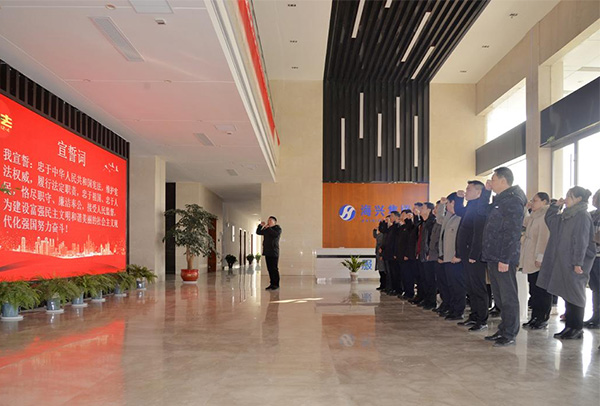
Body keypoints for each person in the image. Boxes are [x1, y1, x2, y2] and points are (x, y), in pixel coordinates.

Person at [537, 187, 596, 340]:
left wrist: (578, 263)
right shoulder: (566, 215)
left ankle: (576, 328)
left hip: (575, 263)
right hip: (564, 261)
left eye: (570, 196)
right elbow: (550, 221)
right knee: (567, 294)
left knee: (575, 295)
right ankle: (569, 327)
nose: (566, 198)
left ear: (578, 199)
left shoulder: (582, 216)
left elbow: (582, 241)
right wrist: (555, 207)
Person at [480, 167, 527, 347]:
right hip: (493, 255)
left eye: (493, 179)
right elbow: (482, 211)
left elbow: (512, 233)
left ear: (503, 180)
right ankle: (503, 328)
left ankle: (510, 333)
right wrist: (486, 193)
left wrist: (505, 259)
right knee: (499, 297)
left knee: (508, 297)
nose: (491, 182)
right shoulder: (500, 200)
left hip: (503, 257)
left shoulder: (513, 201)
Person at [454, 181, 489, 332]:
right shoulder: (470, 206)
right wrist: (458, 198)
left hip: (474, 255)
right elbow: (458, 211)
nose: (466, 191)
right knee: (470, 287)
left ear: (478, 193)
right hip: (466, 254)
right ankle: (474, 315)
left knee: (478, 287)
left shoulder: (480, 209)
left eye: (469, 189)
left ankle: (482, 319)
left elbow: (479, 233)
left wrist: (474, 253)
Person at [519, 192, 551, 329]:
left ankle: (542, 318)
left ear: (544, 202)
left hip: (538, 258)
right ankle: (535, 317)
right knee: (534, 289)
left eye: (535, 200)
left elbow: (544, 238)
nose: (532, 203)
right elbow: (522, 222)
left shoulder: (545, 217)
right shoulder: (534, 215)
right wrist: (525, 208)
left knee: (541, 290)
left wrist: (540, 257)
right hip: (530, 257)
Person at [438, 192, 465, 320]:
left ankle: (458, 311)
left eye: (448, 203)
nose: (447, 205)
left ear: (453, 203)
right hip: (446, 257)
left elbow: (462, 238)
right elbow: (439, 219)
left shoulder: (460, 217)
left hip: (455, 258)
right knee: (450, 285)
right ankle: (452, 308)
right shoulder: (449, 216)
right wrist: (441, 205)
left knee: (457, 286)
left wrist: (458, 254)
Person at [584, 189, 600, 329]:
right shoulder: (592, 214)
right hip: (591, 256)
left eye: (596, 197)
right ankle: (596, 316)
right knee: (595, 287)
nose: (593, 199)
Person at [417, 202, 437, 309]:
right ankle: (426, 299)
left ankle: (431, 302)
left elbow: (432, 240)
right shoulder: (424, 223)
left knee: (430, 280)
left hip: (429, 255)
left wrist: (429, 253)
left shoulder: (432, 222)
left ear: (429, 210)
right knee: (424, 279)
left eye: (423, 208)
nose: (420, 210)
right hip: (423, 254)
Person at [256, 216, 282, 290]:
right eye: (268, 220)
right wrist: (260, 226)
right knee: (269, 269)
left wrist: (268, 228)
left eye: (270, 221)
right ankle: (272, 283)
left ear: (275, 222)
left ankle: (276, 284)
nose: (268, 222)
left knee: (274, 269)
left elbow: (275, 234)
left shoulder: (277, 229)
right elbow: (258, 232)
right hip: (267, 251)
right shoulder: (267, 229)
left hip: (274, 252)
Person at [379, 211, 401, 295]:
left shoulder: (397, 227)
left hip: (393, 254)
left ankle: (397, 289)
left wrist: (395, 253)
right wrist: (383, 223)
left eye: (391, 216)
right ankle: (391, 288)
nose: (390, 218)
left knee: (395, 273)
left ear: (396, 217)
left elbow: (396, 242)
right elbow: (384, 231)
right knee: (390, 273)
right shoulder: (391, 228)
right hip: (388, 254)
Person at [398, 209, 417, 300]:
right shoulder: (403, 227)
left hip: (407, 256)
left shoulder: (411, 226)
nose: (401, 217)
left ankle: (410, 293)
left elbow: (409, 242)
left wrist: (406, 254)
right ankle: (406, 292)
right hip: (401, 255)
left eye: (403, 215)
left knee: (408, 275)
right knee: (404, 275)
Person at [373, 225, 387, 291]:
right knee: (380, 270)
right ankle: (382, 285)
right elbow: (375, 236)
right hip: (378, 255)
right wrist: (374, 230)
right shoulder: (380, 235)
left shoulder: (382, 235)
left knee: (382, 270)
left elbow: (381, 246)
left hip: (381, 255)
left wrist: (381, 255)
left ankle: (383, 285)